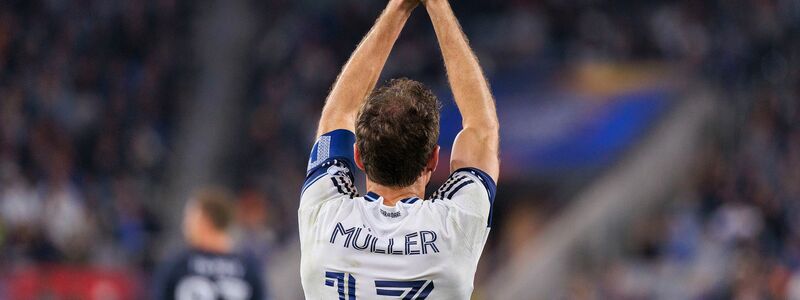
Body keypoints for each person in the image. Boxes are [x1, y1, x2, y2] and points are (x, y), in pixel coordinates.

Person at [298, 0, 499, 298]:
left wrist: (396, 8)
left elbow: (338, 114)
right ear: (433, 160)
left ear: (358, 157)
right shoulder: (454, 228)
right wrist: (438, 7)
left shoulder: (324, 216)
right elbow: (481, 128)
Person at [154, 188, 266, 300]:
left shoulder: (178, 265)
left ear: (205, 220)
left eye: (189, 217)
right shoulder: (247, 268)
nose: (185, 224)